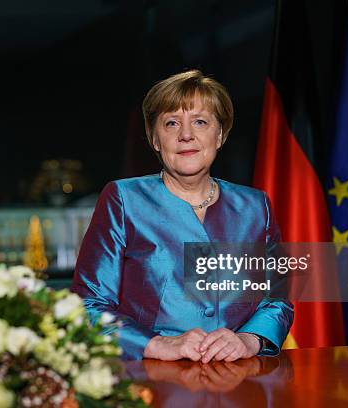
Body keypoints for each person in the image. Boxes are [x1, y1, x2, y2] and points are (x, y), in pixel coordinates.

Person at [71, 70, 293, 361]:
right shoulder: (123, 200)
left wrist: (249, 340)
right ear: (155, 138)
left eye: (200, 122)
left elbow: (277, 299)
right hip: (153, 382)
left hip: (239, 378)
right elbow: (88, 305)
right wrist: (156, 345)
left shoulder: (255, 206)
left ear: (220, 134)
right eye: (171, 123)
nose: (186, 135)